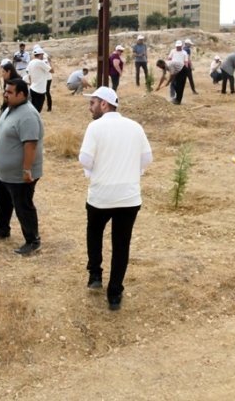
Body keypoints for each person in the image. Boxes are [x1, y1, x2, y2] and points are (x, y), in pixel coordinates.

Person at [79, 86, 152, 311]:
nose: (90, 108)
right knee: (121, 245)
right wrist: (133, 172)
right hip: (128, 198)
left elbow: (85, 159)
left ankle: (95, 275)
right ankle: (114, 293)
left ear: (104, 104)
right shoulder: (135, 127)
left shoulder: (95, 127)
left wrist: (94, 171)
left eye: (92, 103)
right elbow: (147, 158)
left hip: (101, 196)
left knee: (95, 233)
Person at [0, 79, 44, 255]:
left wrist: (26, 170)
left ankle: (32, 241)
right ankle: (2, 229)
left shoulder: (28, 115)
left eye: (10, 92)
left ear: (22, 94)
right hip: (4, 173)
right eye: (5, 91)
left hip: (20, 174)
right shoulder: (9, 109)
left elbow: (30, 145)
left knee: (23, 206)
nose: (5, 94)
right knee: (1, 200)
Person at [26, 46, 51, 113]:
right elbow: (52, 70)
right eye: (42, 54)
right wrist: (49, 62)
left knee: (32, 109)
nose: (43, 56)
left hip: (32, 88)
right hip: (40, 90)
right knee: (37, 111)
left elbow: (28, 72)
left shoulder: (31, 62)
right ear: (40, 54)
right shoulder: (40, 62)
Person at [166, 40, 189, 104]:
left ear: (181, 46)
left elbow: (186, 62)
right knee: (173, 83)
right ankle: (172, 96)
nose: (178, 47)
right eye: (177, 46)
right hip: (173, 69)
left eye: (179, 46)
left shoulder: (184, 52)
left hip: (181, 70)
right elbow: (169, 59)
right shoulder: (172, 51)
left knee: (180, 85)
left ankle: (178, 99)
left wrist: (186, 70)